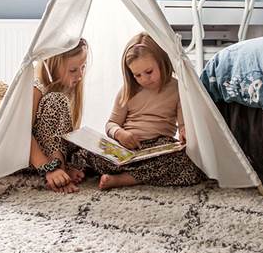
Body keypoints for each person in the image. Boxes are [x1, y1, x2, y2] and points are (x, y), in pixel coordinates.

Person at [86, 32, 207, 191]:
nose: (144, 79)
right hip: (126, 148)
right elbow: (111, 124)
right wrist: (119, 134)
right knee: (83, 152)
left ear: (162, 62)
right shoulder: (128, 90)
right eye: (137, 75)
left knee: (191, 166)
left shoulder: (177, 88)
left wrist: (185, 132)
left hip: (159, 147)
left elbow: (183, 124)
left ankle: (125, 179)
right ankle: (133, 172)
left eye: (149, 72)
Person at [29, 38, 88, 194]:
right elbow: (21, 134)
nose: (80, 75)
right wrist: (52, 169)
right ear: (53, 64)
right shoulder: (37, 88)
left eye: (83, 67)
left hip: (54, 151)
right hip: (35, 157)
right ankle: (58, 170)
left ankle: (66, 166)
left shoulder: (67, 88)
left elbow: (61, 135)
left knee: (89, 148)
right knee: (56, 100)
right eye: (73, 70)